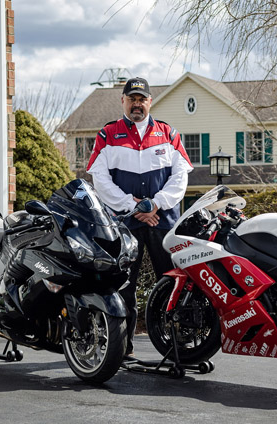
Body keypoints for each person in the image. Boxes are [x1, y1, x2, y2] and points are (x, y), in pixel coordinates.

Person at [86, 77, 193, 358]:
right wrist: (130, 207)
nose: (137, 104)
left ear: (150, 102)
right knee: (124, 287)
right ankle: (122, 348)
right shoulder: (108, 134)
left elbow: (180, 178)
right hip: (124, 224)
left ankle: (176, 346)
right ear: (122, 101)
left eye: (141, 99)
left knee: (172, 284)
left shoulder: (168, 134)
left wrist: (155, 205)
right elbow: (100, 178)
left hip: (164, 222)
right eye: (131, 98)